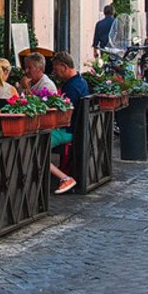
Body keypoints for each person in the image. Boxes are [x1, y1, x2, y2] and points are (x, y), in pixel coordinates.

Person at [47, 51, 88, 195]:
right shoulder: (81, 82)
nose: (54, 73)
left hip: (69, 131)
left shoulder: (71, 87)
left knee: (37, 146)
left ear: (64, 67)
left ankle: (64, 178)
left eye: (56, 69)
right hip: (77, 129)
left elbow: (64, 115)